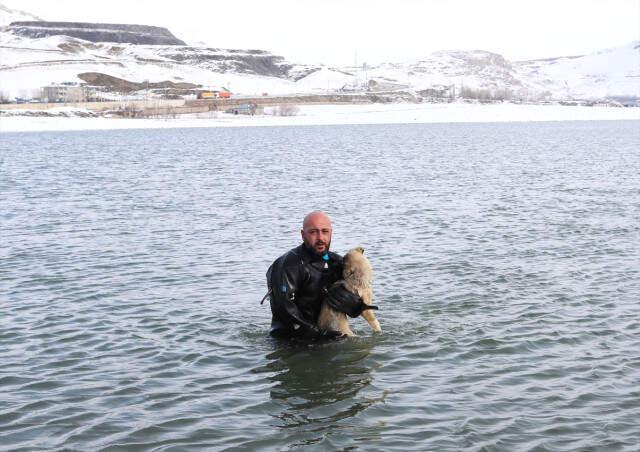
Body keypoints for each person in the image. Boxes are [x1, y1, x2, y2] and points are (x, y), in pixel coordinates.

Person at [265, 211, 346, 339]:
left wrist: (356, 305)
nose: (320, 238)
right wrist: (317, 333)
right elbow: (282, 308)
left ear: (331, 233)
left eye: (325, 231)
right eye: (313, 232)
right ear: (303, 235)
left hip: (326, 336)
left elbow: (352, 302)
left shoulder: (337, 263)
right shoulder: (288, 265)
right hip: (290, 341)